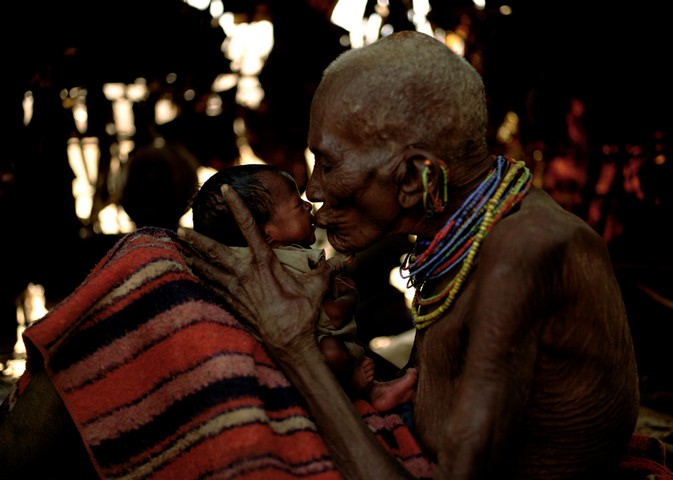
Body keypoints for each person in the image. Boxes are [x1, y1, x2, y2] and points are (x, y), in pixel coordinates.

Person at [178, 30, 642, 479]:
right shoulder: (453, 238)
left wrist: (293, 345)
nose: (314, 189)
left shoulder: (525, 254)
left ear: (412, 178)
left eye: (330, 162)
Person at [189, 163, 417, 409]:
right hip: (314, 360)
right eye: (298, 204)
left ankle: (373, 391)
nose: (309, 203)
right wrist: (348, 298)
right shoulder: (282, 267)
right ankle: (360, 390)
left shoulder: (264, 264)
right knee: (331, 352)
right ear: (264, 234)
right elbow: (334, 316)